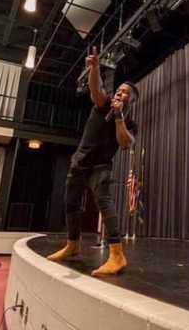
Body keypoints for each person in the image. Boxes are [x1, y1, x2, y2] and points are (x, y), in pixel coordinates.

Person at [47, 46, 138, 277]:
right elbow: (96, 89)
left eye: (125, 92)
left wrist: (118, 116)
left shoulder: (129, 122)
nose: (120, 93)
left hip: (100, 166)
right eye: (119, 89)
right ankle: (72, 244)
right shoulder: (103, 103)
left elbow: (125, 143)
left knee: (104, 204)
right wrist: (94, 68)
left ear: (132, 100)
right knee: (70, 204)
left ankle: (117, 254)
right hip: (80, 162)